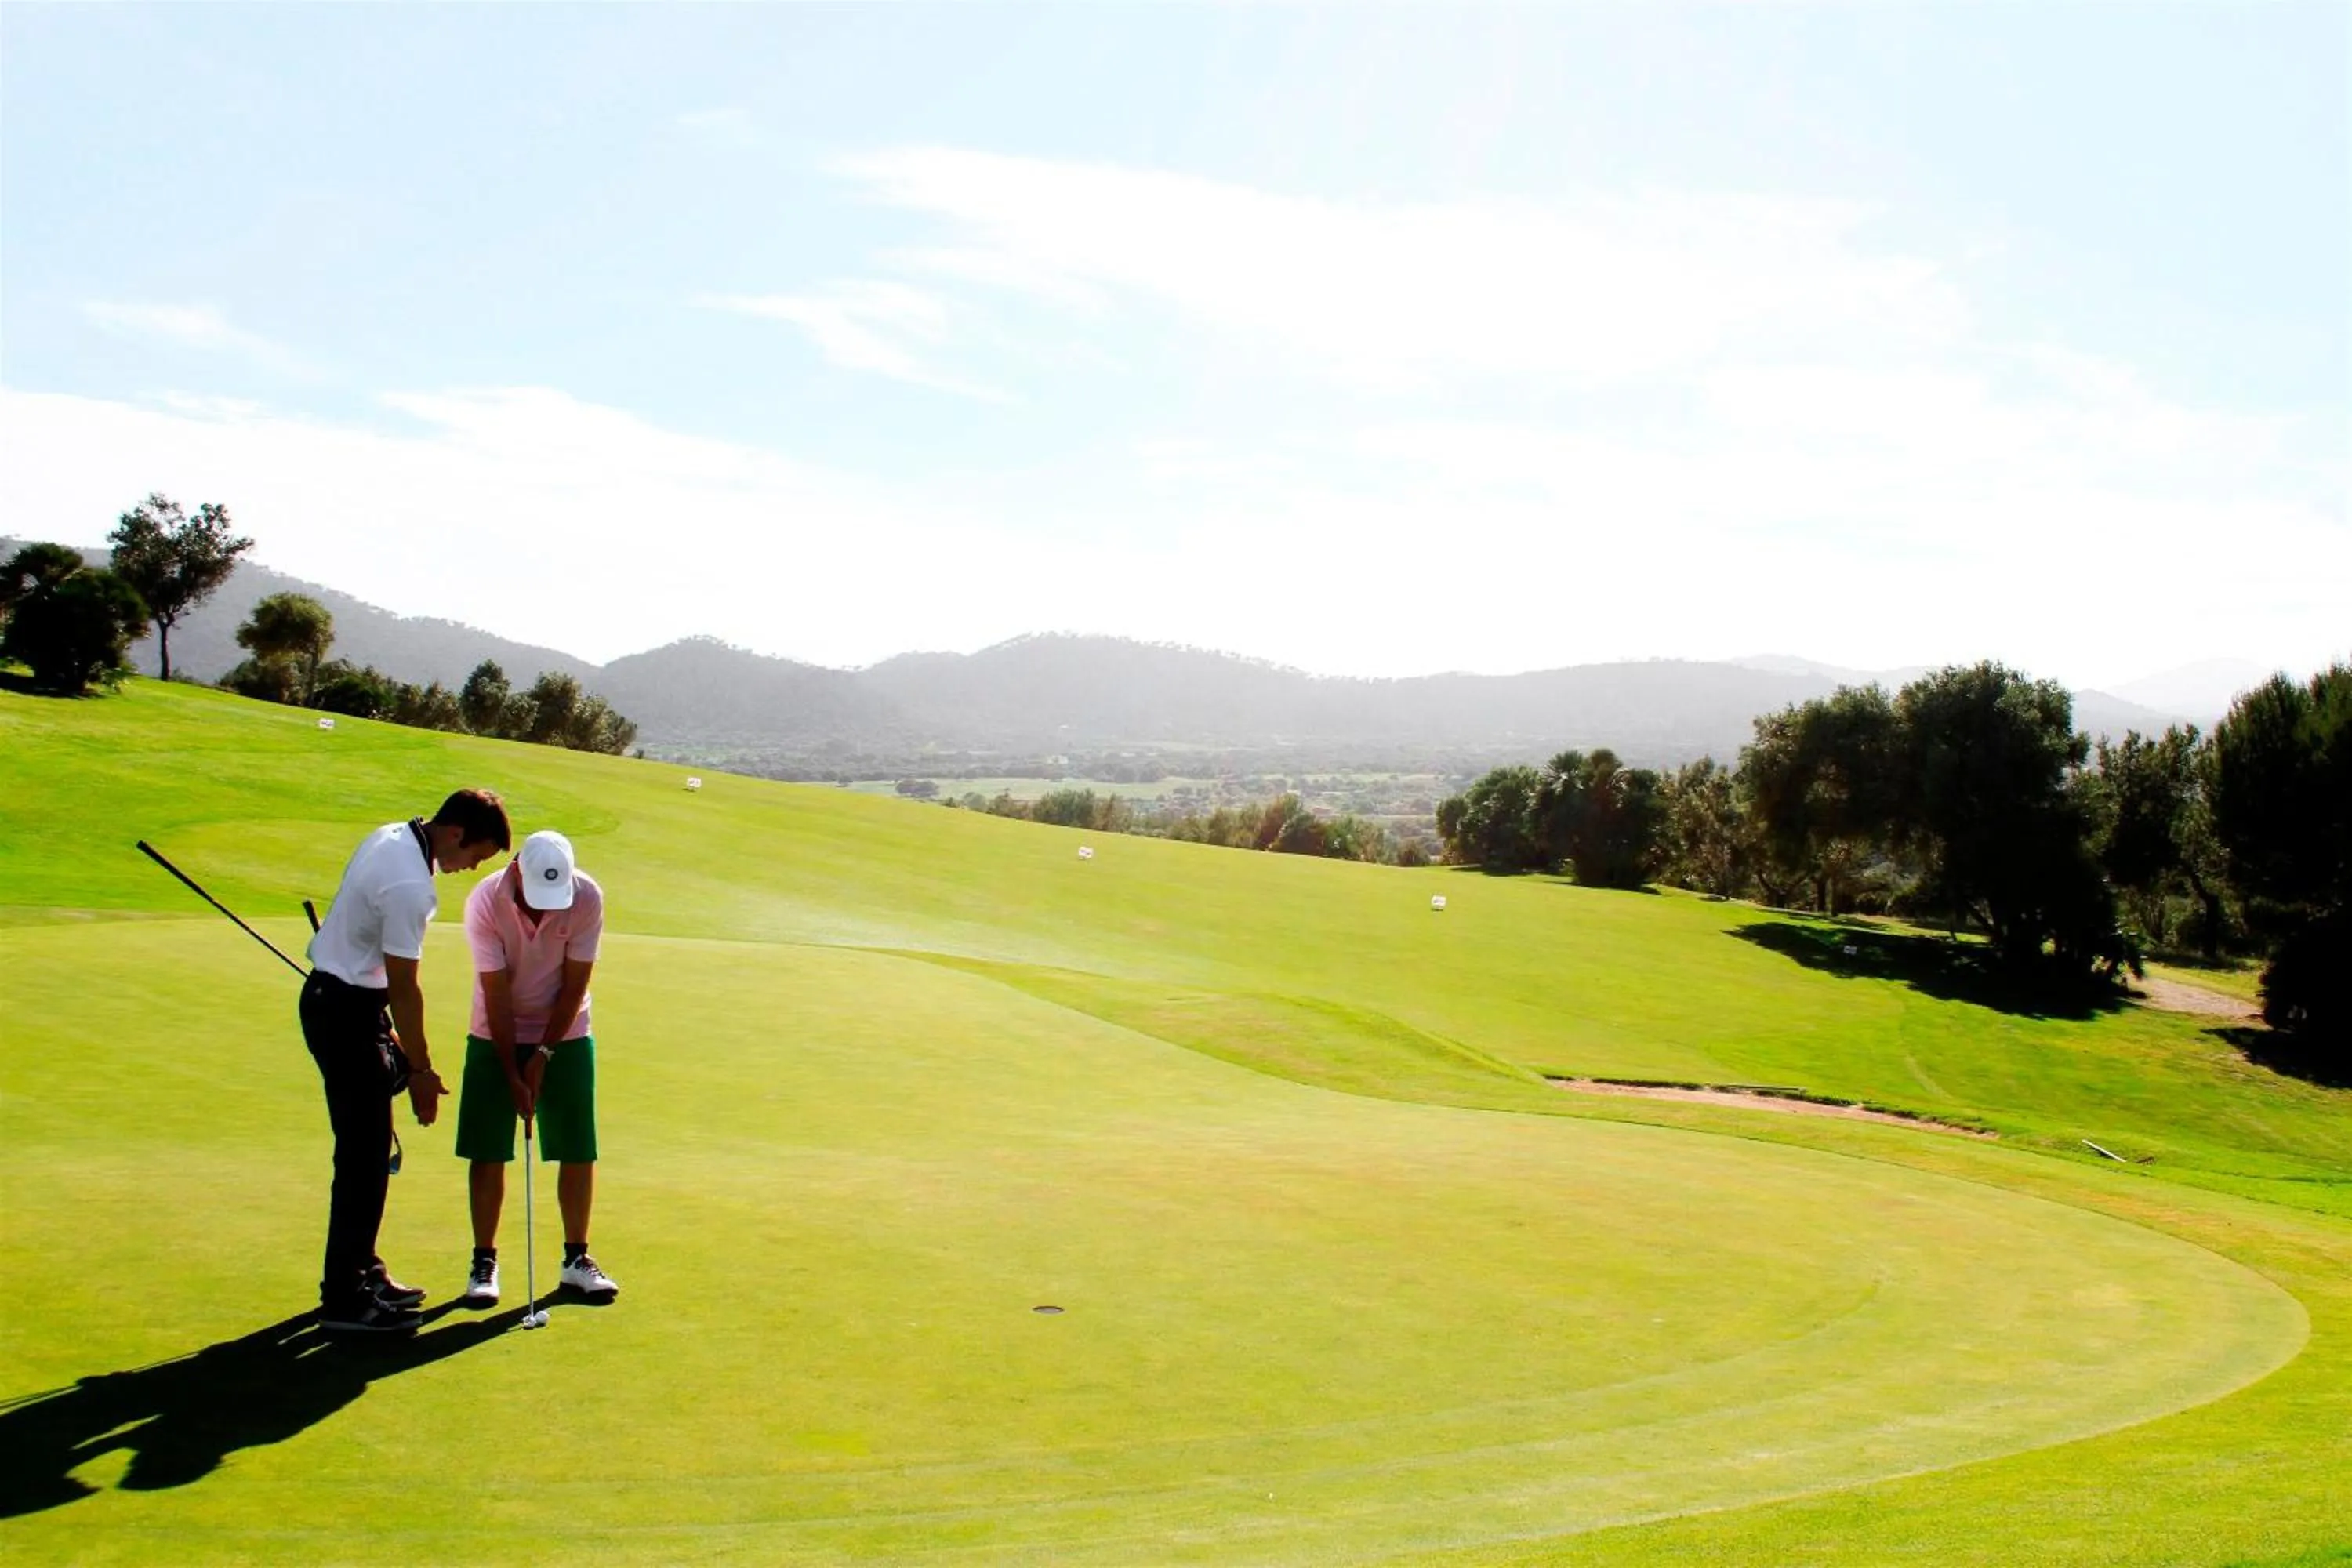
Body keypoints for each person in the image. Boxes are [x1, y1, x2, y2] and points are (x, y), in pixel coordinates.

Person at [303, 789, 511, 1334]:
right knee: (363, 1161)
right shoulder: (411, 885)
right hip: (345, 1014)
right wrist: (420, 1070)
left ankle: (363, 1270)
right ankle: (344, 1298)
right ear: (457, 834)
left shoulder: (393, 835)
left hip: (344, 1003)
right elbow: (404, 987)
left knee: (368, 1153)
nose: (473, 868)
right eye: (477, 856)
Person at [453, 829, 618, 1305]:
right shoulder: (485, 900)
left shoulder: (586, 896)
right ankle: (484, 1262)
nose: (546, 909)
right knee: (488, 1148)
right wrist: (512, 1071)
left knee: (577, 1147)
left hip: (566, 1031)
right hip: (494, 1029)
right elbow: (496, 992)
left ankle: (576, 1259)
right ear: (517, 872)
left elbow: (575, 984)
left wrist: (543, 1056)